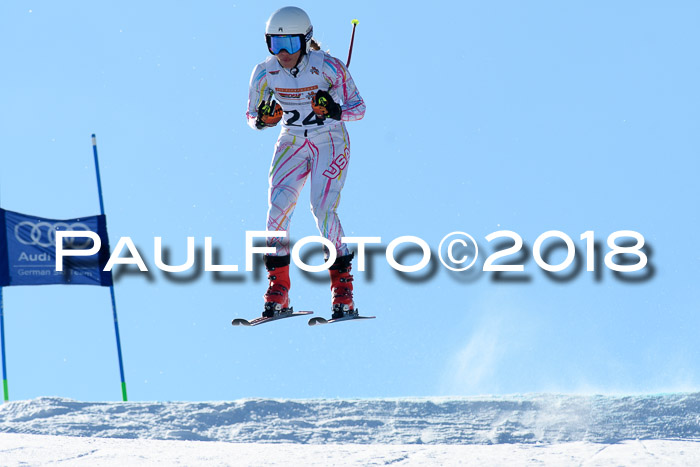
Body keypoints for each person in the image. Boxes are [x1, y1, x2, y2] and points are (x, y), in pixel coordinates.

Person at [246, 6, 366, 319]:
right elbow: (251, 116)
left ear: (306, 40)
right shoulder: (264, 72)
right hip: (292, 141)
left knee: (322, 210)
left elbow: (359, 108)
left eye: (291, 45)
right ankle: (279, 288)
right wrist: (264, 119)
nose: (283, 53)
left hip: (329, 140)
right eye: (276, 44)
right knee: (277, 211)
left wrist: (335, 110)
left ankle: (343, 290)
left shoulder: (328, 68)